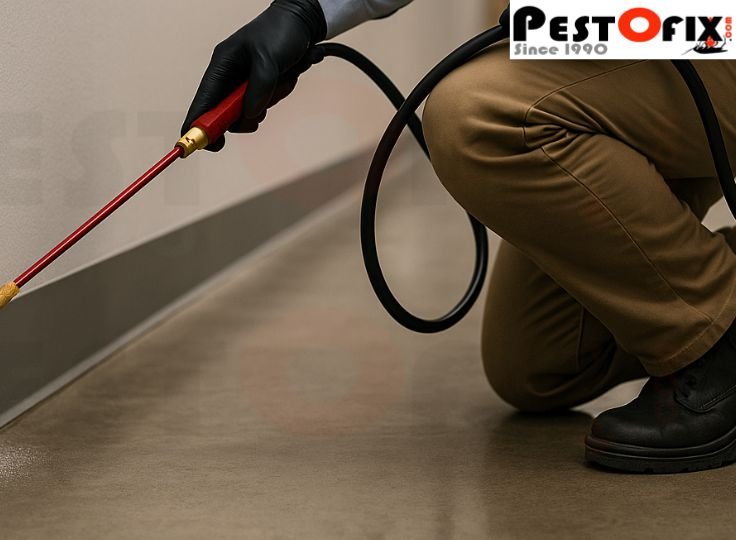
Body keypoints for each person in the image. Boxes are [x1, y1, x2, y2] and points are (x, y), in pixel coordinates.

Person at [182, 0, 736, 474]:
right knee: (540, 364)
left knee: (479, 113)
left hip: (718, 30)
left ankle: (718, 336)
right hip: (666, 32)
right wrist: (305, 12)